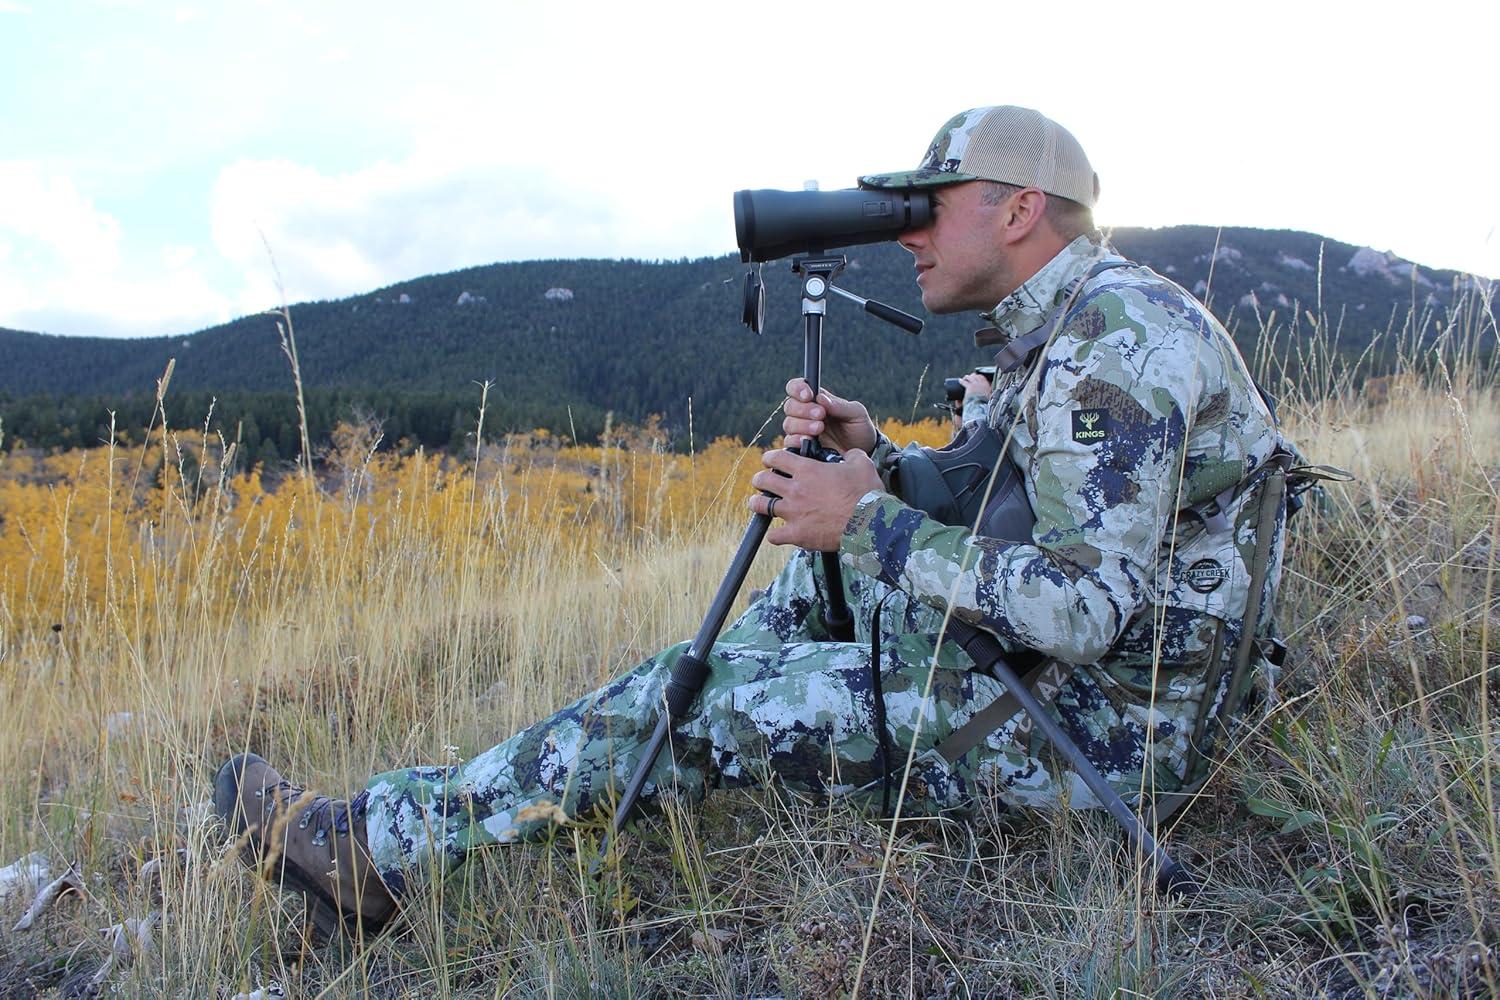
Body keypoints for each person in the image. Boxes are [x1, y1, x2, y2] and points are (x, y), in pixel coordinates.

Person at [215, 105, 1290, 938]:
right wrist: (883, 461)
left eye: (932, 204)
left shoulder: (1115, 343)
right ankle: (535, 782)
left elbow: (1086, 608)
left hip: (1110, 735)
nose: (909, 234)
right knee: (799, 597)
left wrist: (865, 521)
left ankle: (379, 851)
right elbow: (1012, 505)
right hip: (1073, 686)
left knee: (717, 699)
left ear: (1019, 211)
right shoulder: (1067, 323)